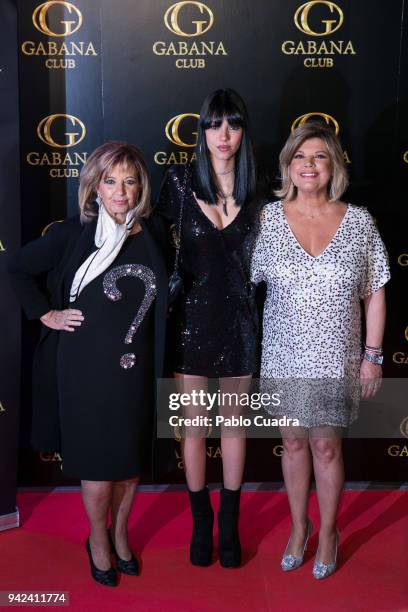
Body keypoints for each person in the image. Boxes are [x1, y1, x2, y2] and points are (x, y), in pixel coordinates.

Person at [8, 142, 168, 587]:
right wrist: (46, 313)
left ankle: (120, 535)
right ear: (95, 185)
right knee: (98, 466)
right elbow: (17, 268)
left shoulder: (153, 232)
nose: (120, 191)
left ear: (140, 188)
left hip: (135, 370)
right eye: (111, 181)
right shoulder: (71, 233)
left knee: (130, 464)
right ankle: (97, 541)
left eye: (129, 181)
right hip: (84, 371)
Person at [251, 121, 390, 579]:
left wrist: (373, 357)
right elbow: (239, 287)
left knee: (326, 447)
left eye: (319, 156)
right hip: (283, 355)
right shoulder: (266, 219)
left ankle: (328, 532)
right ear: (288, 165)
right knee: (292, 444)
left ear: (334, 166)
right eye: (300, 156)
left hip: (336, 357)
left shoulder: (360, 221)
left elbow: (375, 291)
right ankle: (298, 528)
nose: (309, 165)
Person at [157, 89, 261, 568]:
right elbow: (145, 241)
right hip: (190, 325)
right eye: (214, 125)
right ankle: (202, 521)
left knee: (235, 429)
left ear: (243, 132)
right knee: (196, 431)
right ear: (201, 131)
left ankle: (230, 522)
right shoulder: (177, 183)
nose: (224, 135)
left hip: (240, 326)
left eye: (233, 125)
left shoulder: (261, 193)